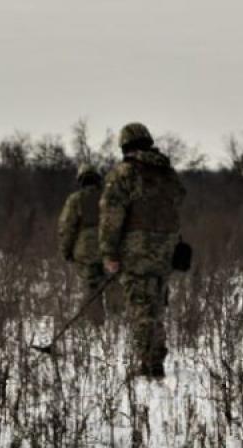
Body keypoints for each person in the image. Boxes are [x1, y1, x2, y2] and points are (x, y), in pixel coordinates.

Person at [99, 123, 185, 379]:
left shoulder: (123, 174)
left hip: (136, 252)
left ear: (125, 146)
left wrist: (109, 252)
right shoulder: (168, 174)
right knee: (156, 305)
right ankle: (155, 356)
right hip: (166, 250)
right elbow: (178, 202)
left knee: (140, 306)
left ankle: (150, 364)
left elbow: (111, 216)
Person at [57, 164, 107, 323]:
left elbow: (67, 228)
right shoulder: (108, 197)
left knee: (92, 287)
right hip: (110, 248)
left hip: (86, 250)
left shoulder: (75, 199)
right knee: (113, 285)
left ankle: (96, 322)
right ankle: (118, 324)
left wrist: (66, 251)